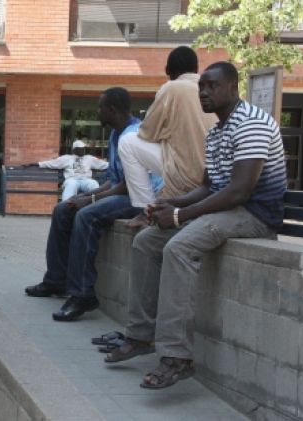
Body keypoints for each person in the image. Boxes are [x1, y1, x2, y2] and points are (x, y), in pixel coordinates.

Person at [105, 62, 286, 389]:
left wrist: (179, 217)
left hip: (255, 214)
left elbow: (239, 191)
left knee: (179, 246)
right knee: (147, 241)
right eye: (202, 86)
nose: (203, 92)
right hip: (226, 208)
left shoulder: (251, 124)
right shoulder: (216, 131)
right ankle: (141, 334)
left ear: (233, 88)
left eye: (212, 86)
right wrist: (173, 203)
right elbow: (208, 186)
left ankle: (177, 357)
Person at [24, 88, 162, 322]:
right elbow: (114, 180)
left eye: (100, 107)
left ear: (112, 110)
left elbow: (130, 185)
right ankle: (56, 280)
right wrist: (82, 198)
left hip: (142, 199)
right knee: (63, 209)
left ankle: (82, 294)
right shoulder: (115, 134)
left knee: (86, 216)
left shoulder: (134, 134)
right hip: (126, 191)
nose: (97, 111)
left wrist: (90, 199)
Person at [117, 46, 218, 227]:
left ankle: (145, 209)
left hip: (187, 174)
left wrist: (165, 133)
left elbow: (147, 132)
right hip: (214, 177)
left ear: (167, 71)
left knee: (127, 142)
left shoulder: (171, 88)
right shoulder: (212, 90)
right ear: (196, 68)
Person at [26, 140, 109, 201]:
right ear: (74, 150)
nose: (82, 150)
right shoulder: (67, 158)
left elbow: (104, 165)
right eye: (79, 148)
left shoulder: (89, 158)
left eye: (83, 148)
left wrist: (119, 165)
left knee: (94, 184)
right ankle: (66, 206)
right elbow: (52, 163)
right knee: (71, 185)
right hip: (72, 179)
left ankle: (96, 205)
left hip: (86, 180)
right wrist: (37, 164)